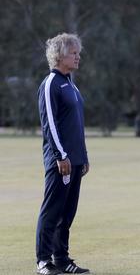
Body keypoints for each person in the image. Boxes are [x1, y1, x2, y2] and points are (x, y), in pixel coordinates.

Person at [36, 33, 90, 274]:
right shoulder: (50, 83)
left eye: (78, 52)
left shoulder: (71, 84)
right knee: (52, 210)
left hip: (75, 160)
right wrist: (61, 155)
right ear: (59, 56)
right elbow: (49, 124)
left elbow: (76, 124)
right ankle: (43, 260)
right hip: (61, 161)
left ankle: (62, 259)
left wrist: (83, 156)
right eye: (73, 53)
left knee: (67, 213)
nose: (78, 57)